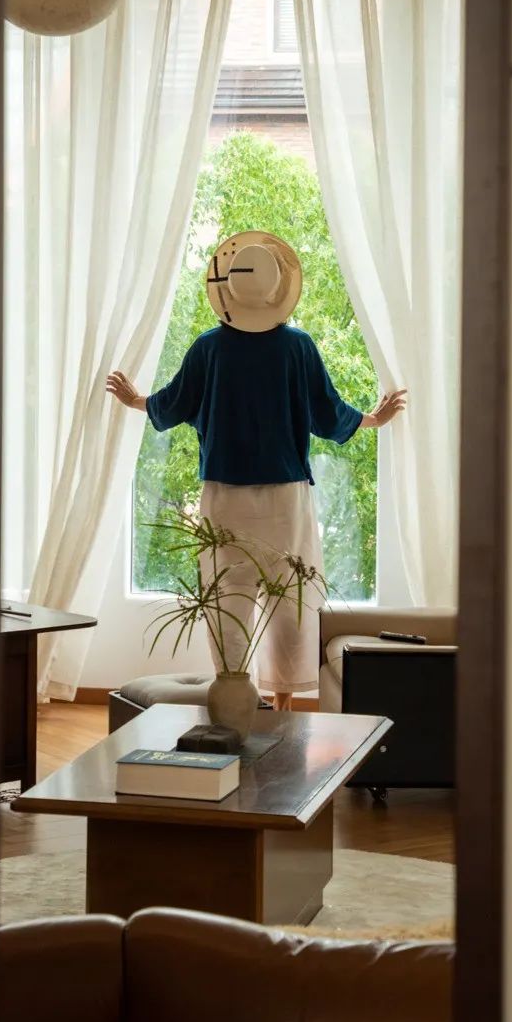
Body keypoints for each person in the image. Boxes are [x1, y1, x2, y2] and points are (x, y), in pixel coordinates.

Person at [106, 231, 406, 710]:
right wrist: (373, 419)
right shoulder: (297, 347)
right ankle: (283, 707)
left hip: (224, 494)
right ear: (277, 291)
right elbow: (327, 413)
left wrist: (135, 400)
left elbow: (173, 403)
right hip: (286, 496)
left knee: (228, 597)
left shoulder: (209, 348)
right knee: (291, 599)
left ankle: (235, 694)